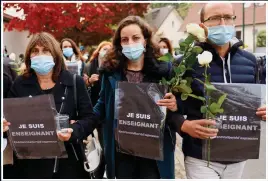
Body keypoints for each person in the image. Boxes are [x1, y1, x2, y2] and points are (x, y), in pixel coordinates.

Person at [177, 3, 266, 179]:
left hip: (237, 155)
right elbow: (171, 108)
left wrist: (264, 109)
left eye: (228, 17)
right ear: (203, 25)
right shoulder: (185, 62)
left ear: (234, 21)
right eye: (215, 18)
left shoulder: (250, 61)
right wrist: (184, 125)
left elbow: (259, 98)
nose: (222, 22)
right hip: (200, 157)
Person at [93, 15, 187, 179]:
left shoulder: (164, 72)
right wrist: (81, 123)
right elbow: (101, 106)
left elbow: (176, 108)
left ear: (145, 40)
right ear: (119, 44)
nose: (130, 43)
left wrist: (175, 104)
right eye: (125, 39)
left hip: (153, 154)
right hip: (121, 152)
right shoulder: (110, 72)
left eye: (136, 38)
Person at [4, 32, 97, 179]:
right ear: (29, 56)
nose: (40, 55)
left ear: (55, 54)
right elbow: (9, 120)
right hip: (29, 166)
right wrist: (5, 126)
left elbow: (90, 119)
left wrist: (73, 130)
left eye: (45, 50)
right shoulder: (20, 83)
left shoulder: (74, 82)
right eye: (35, 51)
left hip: (68, 165)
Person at [83, 41, 112, 149]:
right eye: (104, 49)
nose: (107, 51)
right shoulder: (89, 65)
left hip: (109, 105)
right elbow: (84, 86)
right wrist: (90, 81)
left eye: (109, 49)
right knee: (100, 134)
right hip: (95, 104)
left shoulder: (114, 66)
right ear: (99, 51)